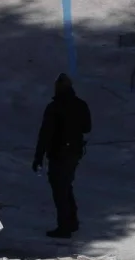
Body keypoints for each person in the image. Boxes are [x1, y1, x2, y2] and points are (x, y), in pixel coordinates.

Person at [32, 74, 92, 238]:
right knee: (66, 186)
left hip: (59, 153)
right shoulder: (81, 105)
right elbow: (87, 127)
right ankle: (72, 221)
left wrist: (38, 157)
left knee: (60, 189)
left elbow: (45, 134)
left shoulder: (54, 107)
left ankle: (65, 226)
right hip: (74, 152)